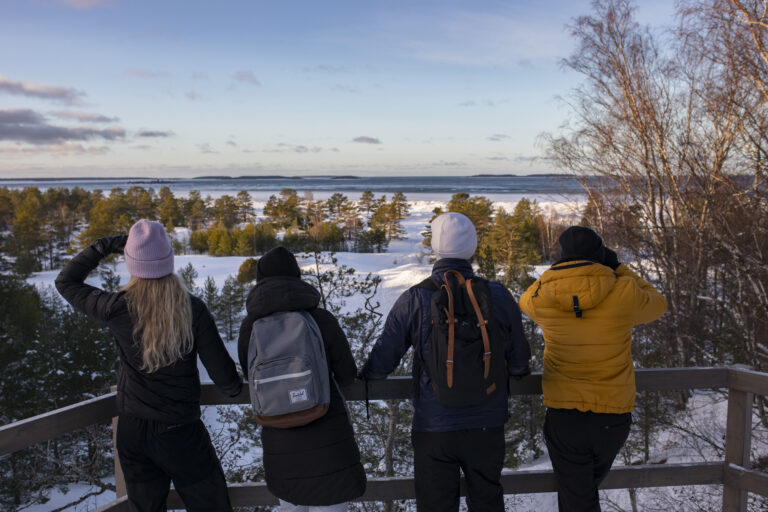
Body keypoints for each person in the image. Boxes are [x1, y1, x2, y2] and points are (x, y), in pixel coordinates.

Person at [56, 219, 242, 512]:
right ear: (168, 260)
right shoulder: (192, 310)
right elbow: (226, 381)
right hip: (181, 434)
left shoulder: (116, 307)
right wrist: (237, 386)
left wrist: (106, 245)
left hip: (133, 433)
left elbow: (65, 282)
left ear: (132, 263)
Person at [361, 212, 531, 512]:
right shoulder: (497, 296)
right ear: (472, 248)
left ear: (436, 247)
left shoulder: (416, 298)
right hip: (487, 423)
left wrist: (363, 376)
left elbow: (383, 359)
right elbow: (519, 359)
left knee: (436, 505)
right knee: (488, 501)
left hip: (434, 424)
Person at [519, 226, 667, 512]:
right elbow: (658, 304)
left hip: (564, 415)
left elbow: (526, 299)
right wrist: (620, 268)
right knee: (582, 495)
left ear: (562, 256)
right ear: (600, 254)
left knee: (578, 497)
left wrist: (555, 272)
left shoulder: (543, 296)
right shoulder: (623, 291)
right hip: (612, 416)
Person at [237, 246, 366, 511]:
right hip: (328, 435)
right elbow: (347, 374)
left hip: (279, 438)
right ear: (296, 276)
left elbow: (248, 374)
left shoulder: (251, 326)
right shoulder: (321, 319)